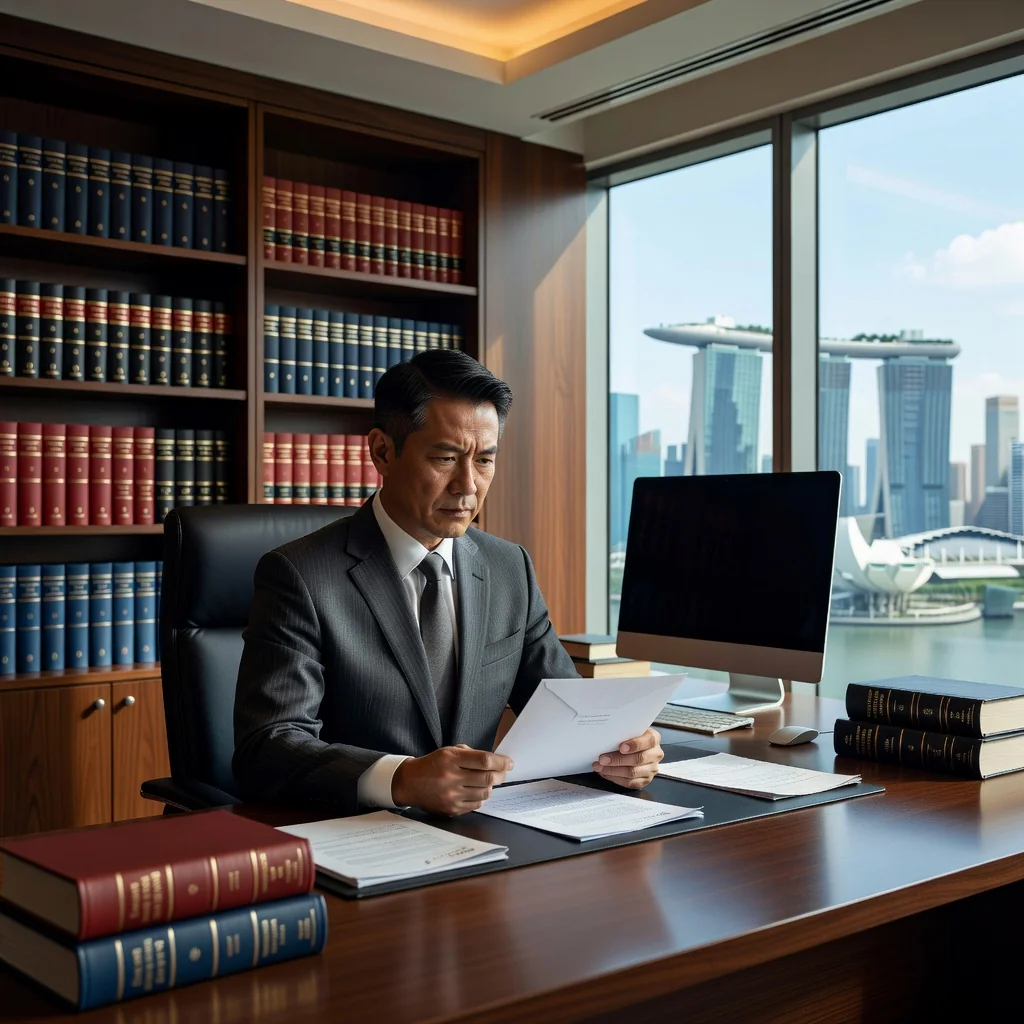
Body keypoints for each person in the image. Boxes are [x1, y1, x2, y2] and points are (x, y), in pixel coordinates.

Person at [233, 350, 664, 816]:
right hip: (358, 830)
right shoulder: (299, 574)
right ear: (382, 452)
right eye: (445, 458)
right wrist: (401, 779)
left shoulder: (509, 567)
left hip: (482, 832)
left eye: (484, 461)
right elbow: (268, 746)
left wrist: (622, 751)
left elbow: (569, 713)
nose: (468, 486)